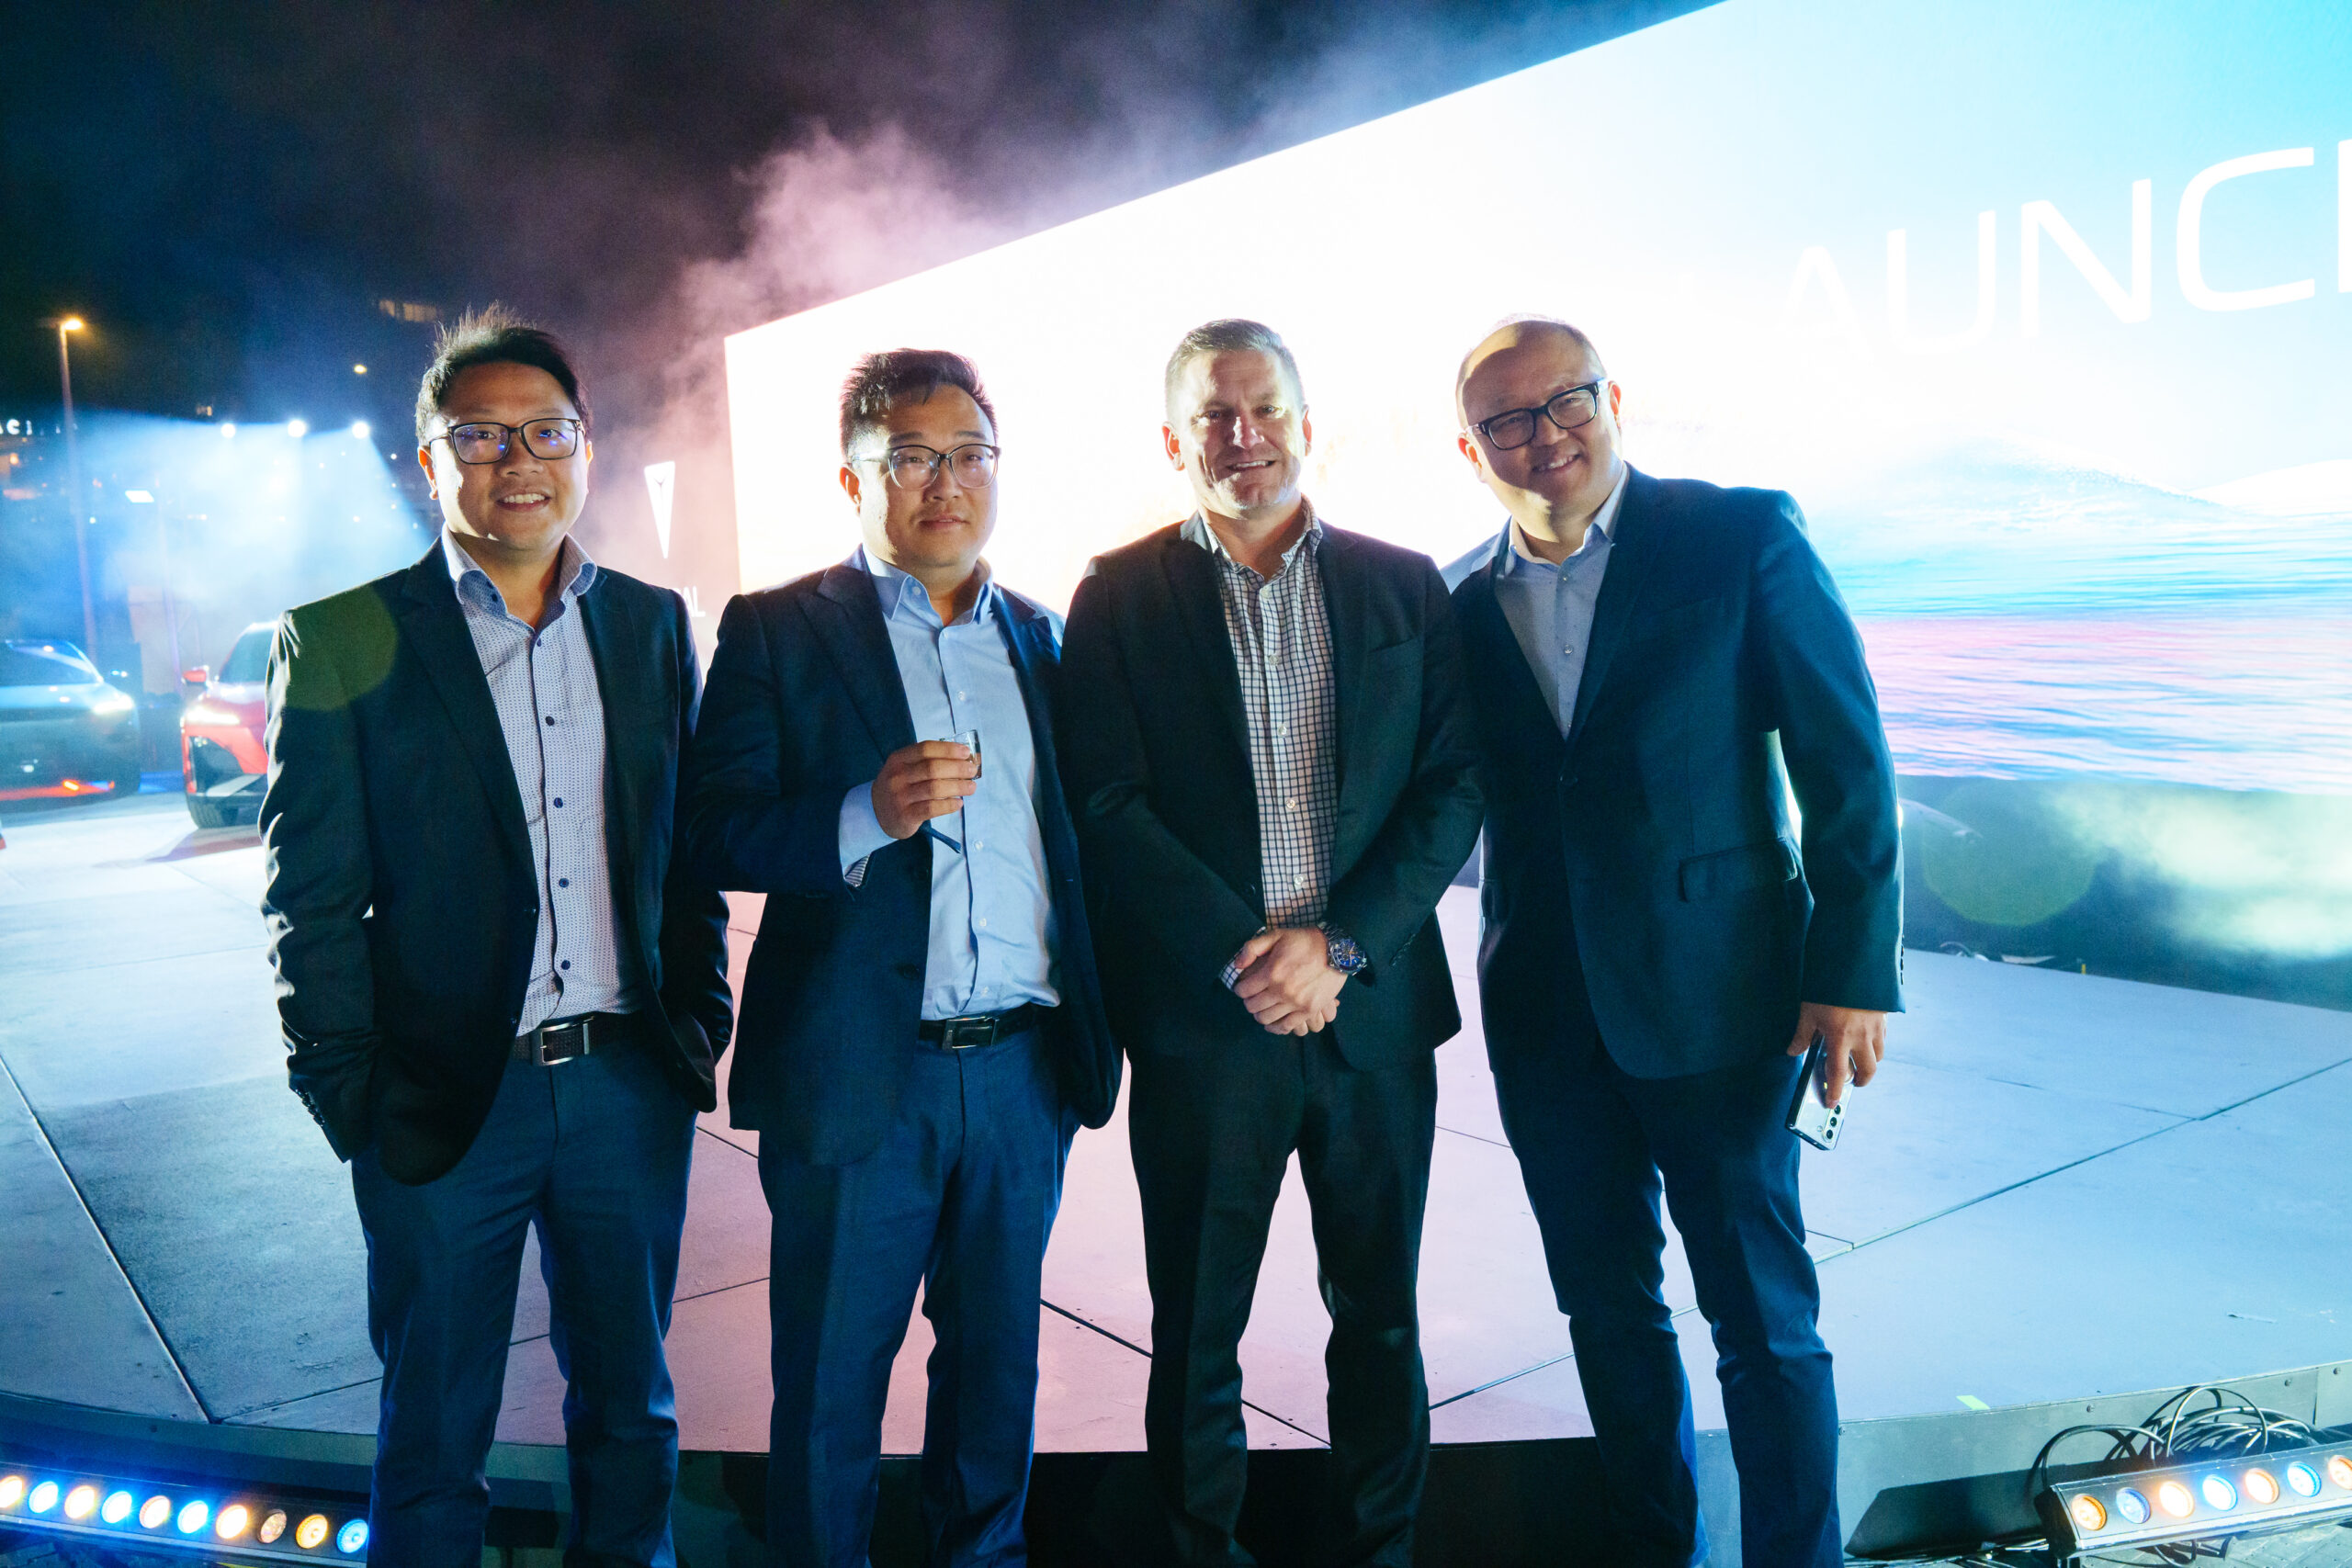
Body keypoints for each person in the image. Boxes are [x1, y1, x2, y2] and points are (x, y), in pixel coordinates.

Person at [259, 306, 733, 1568]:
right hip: (442, 1102)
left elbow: (683, 854)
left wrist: (697, 1019)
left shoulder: (646, 623)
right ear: (427, 461)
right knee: (434, 1433)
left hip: (629, 1086)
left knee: (632, 1414)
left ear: (585, 448)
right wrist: (348, 1091)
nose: (515, 462)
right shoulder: (348, 635)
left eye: (545, 433)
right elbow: (310, 903)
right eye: (477, 437)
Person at [1448, 316, 1903, 1568]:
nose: (1546, 436)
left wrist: (1853, 973)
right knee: (1607, 1312)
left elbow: (1847, 765)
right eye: (1510, 421)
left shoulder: (1738, 535)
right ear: (1470, 446)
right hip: (1545, 1017)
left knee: (1762, 1319)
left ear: (1612, 397)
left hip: (1726, 997)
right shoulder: (1454, 603)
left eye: (1567, 401)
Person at [680, 349, 1116, 1567]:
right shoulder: (776, 630)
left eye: (969, 455)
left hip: (1023, 1074)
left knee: (997, 1378)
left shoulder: (1043, 635)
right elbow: (707, 829)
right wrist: (862, 810)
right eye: (911, 458)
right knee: (829, 1383)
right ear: (851, 475)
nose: (946, 483)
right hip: (859, 1073)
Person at [1059, 320, 1483, 1567]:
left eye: (1264, 410)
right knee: (1194, 1331)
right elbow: (1104, 803)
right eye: (1214, 416)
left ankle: (1381, 1556)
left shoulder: (1402, 583)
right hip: (1207, 1025)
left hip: (1374, 1021)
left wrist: (1338, 947)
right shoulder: (1117, 596)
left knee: (1383, 1323)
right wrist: (1254, 956)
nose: (1242, 437)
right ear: (1174, 437)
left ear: (1307, 420)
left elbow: (1454, 784)